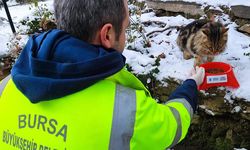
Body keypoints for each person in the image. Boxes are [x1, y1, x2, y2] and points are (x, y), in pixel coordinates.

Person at [0, 0, 205, 149]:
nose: (125, 36)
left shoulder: (8, 86)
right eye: (125, 29)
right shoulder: (128, 112)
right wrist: (190, 85)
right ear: (107, 35)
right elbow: (172, 124)